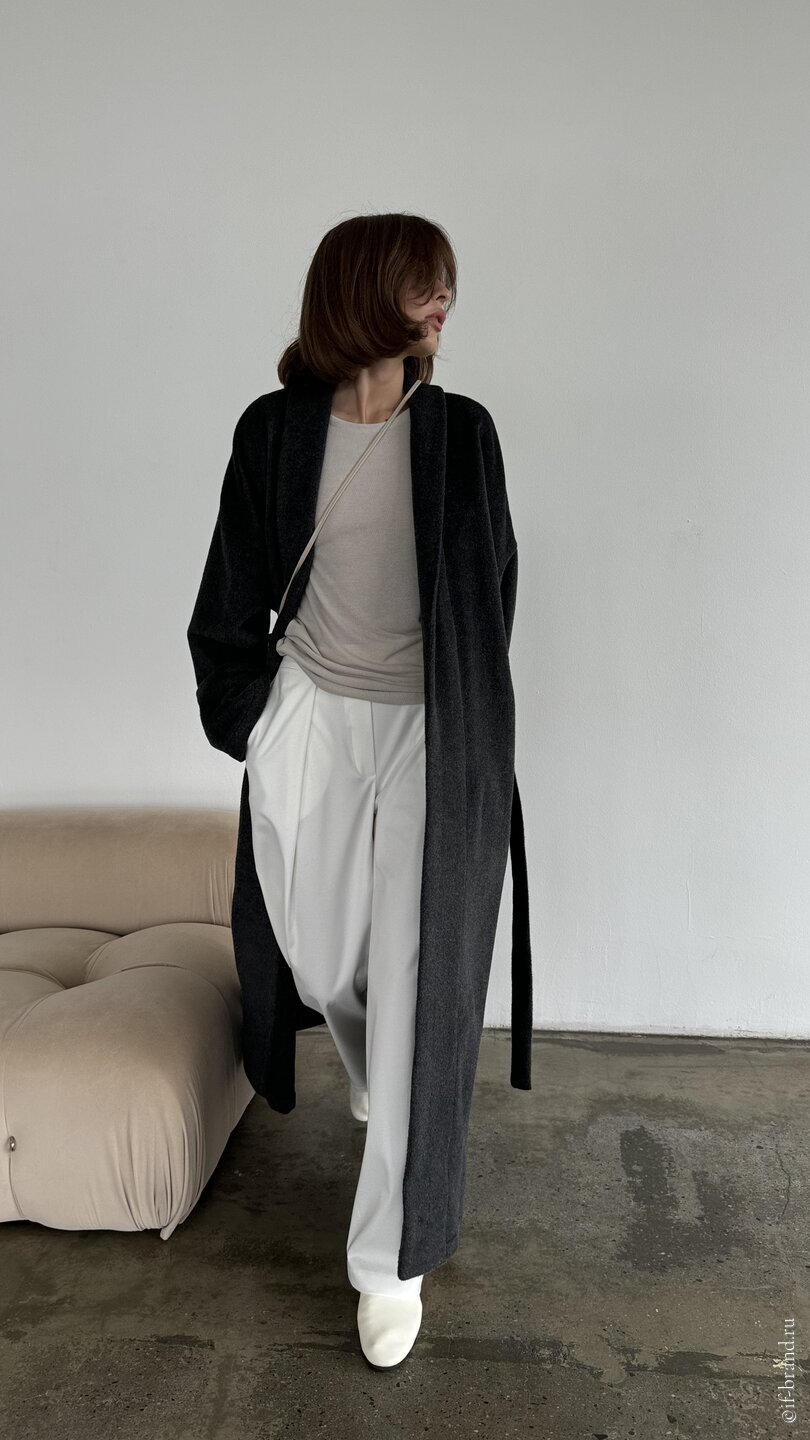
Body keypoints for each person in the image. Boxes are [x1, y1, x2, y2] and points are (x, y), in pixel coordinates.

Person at [187, 212, 531, 1372]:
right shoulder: (275, 431)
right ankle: (377, 1067)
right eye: (425, 285)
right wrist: (255, 718)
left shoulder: (461, 434)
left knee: (421, 984)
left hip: (425, 727)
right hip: (310, 718)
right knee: (321, 958)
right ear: (365, 293)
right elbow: (231, 583)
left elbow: (492, 588)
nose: (443, 305)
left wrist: (471, 725)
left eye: (446, 288)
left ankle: (389, 1260)